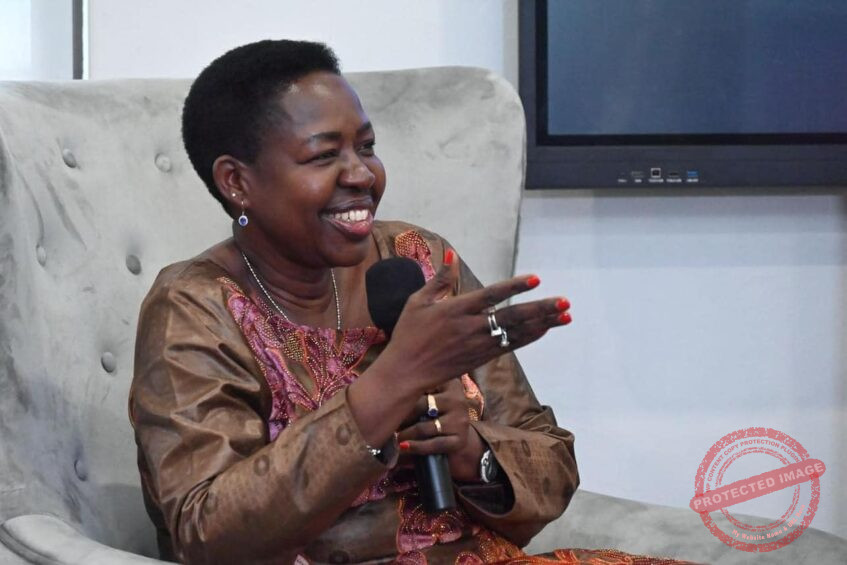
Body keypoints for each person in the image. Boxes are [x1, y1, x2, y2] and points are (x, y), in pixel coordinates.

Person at [130, 40, 697, 565]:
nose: (362, 174)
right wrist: (392, 383)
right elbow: (206, 531)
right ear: (237, 182)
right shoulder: (194, 307)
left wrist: (470, 450)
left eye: (367, 147)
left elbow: (551, 464)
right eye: (323, 156)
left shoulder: (417, 258)